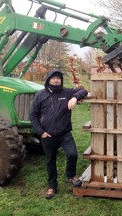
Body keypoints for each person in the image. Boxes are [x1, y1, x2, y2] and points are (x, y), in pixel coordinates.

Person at [30, 69, 88, 199]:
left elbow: (83, 91)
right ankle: (52, 186)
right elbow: (33, 115)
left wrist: (74, 97)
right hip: (48, 135)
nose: (56, 80)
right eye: (53, 78)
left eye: (58, 78)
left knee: (72, 154)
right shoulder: (40, 95)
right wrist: (41, 132)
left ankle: (71, 176)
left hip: (64, 133)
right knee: (50, 161)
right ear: (48, 80)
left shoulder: (66, 92)